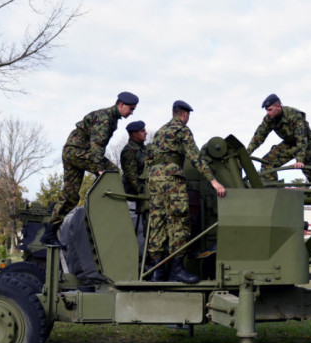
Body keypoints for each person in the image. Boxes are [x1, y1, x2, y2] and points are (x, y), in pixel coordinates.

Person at [40, 91, 139, 249]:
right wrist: (100, 170)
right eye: (131, 109)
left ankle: (49, 233)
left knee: (71, 196)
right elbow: (97, 146)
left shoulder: (110, 118)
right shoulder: (106, 118)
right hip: (78, 152)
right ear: (121, 105)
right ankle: (105, 207)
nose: (132, 112)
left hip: (71, 152)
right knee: (111, 172)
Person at [145, 100, 226, 283]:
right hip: (172, 177)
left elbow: (149, 157)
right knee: (180, 220)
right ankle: (177, 269)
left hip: (154, 178)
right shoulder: (181, 129)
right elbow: (195, 157)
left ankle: (158, 271)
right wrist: (213, 181)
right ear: (184, 114)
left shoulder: (159, 132)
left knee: (158, 221)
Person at [246, 94, 311, 216]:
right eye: (267, 110)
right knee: (267, 162)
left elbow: (301, 138)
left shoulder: (294, 115)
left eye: (270, 109)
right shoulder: (269, 119)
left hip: (306, 143)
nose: (268, 113)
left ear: (278, 106)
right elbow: (259, 137)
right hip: (289, 143)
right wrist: (247, 153)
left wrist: (300, 159)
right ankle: (274, 194)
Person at [120, 120, 148, 262]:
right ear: (133, 134)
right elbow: (132, 177)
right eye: (143, 131)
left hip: (143, 194)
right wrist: (144, 192)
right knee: (136, 230)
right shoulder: (128, 151)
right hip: (133, 195)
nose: (146, 133)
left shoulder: (144, 149)